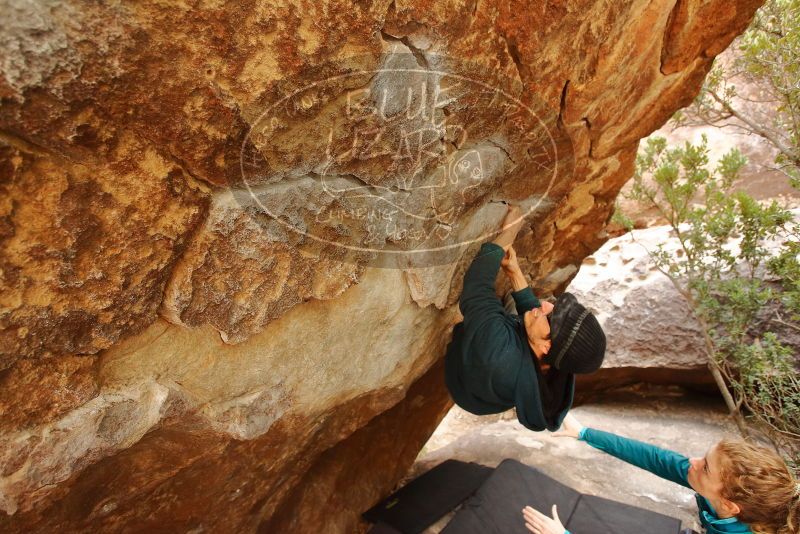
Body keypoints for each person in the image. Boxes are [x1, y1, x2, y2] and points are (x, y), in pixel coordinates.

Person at [444, 204, 607, 431]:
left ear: (547, 347)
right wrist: (513, 270)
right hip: (504, 365)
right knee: (522, 308)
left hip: (463, 380)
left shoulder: (499, 355)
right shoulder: (558, 357)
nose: (546, 304)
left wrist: (509, 230)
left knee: (484, 320)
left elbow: (476, 289)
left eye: (551, 316)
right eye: (556, 307)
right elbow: (535, 319)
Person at [522, 413, 800, 534]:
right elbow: (658, 460)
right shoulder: (740, 505)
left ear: (729, 505)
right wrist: (585, 433)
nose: (692, 461)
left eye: (705, 466)